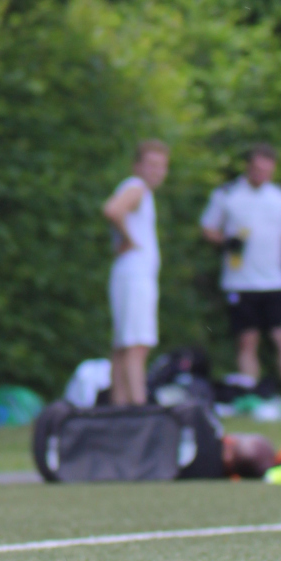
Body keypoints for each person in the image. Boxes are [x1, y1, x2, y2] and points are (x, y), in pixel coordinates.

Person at [200, 144, 281, 397]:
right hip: (240, 281)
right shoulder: (227, 194)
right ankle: (251, 395)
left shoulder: (280, 197)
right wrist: (225, 242)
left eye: (267, 170)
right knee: (247, 340)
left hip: (274, 281)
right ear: (248, 167)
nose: (262, 174)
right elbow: (208, 228)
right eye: (257, 169)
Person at [101, 140, 169, 406]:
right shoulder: (136, 187)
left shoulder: (139, 190)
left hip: (128, 275)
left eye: (161, 166)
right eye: (151, 164)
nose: (157, 171)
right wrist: (130, 239)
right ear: (137, 166)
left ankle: (119, 408)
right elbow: (112, 209)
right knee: (137, 344)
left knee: (123, 345)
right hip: (135, 276)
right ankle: (139, 406)